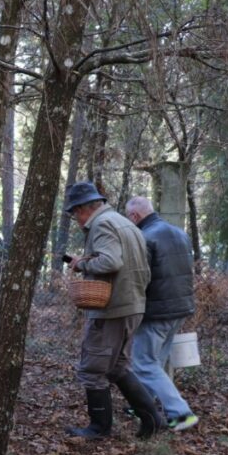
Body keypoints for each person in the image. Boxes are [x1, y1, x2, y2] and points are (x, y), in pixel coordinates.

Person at [64, 182, 164, 439]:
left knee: (92, 369)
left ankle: (99, 428)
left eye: (75, 213)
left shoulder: (102, 224)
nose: (76, 219)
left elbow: (110, 261)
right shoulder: (124, 222)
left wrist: (82, 265)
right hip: (131, 305)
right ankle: (152, 419)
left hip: (112, 308)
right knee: (117, 367)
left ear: (84, 208)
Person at [125, 196, 199, 431]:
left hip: (156, 312)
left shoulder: (145, 237)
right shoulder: (179, 233)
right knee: (153, 361)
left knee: (143, 363)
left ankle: (181, 413)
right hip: (180, 309)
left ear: (135, 216)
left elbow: (140, 279)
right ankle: (142, 404)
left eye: (129, 218)